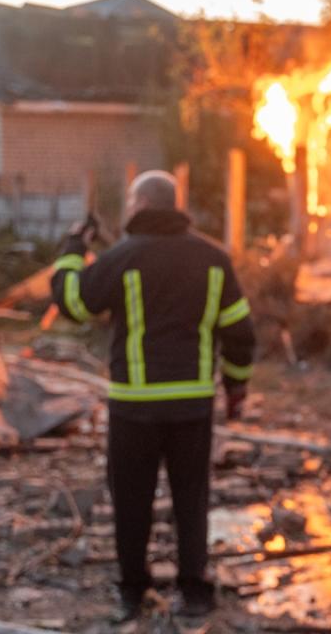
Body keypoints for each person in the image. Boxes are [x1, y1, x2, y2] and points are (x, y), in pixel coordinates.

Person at [50, 171, 256, 620]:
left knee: (132, 501)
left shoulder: (123, 256)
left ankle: (131, 590)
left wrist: (72, 250)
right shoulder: (214, 260)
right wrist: (236, 388)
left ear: (141, 205)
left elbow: (74, 301)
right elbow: (241, 332)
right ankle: (195, 592)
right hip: (192, 404)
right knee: (191, 499)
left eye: (129, 201)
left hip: (134, 407)